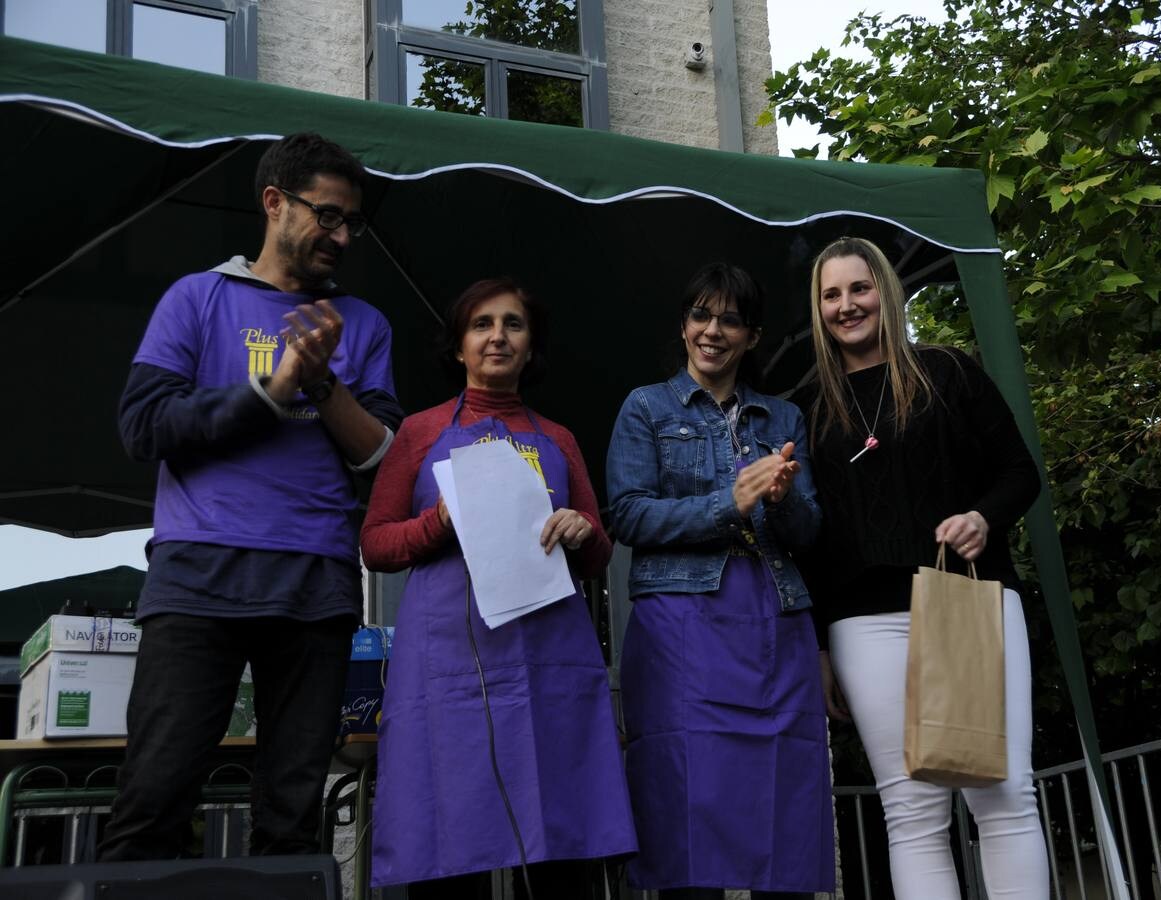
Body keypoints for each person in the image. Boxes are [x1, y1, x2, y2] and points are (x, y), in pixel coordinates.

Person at [100, 133, 403, 860]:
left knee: (293, 816)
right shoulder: (196, 297)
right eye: (327, 216)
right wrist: (272, 390)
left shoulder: (360, 323)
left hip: (316, 585)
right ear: (274, 202)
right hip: (196, 576)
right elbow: (144, 426)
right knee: (154, 794)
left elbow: (382, 457)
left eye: (350, 222)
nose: (340, 235)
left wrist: (322, 382)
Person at [360, 277, 635, 898]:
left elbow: (598, 556)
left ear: (530, 345)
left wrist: (581, 529)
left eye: (513, 324)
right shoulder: (419, 433)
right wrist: (440, 521)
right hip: (448, 663)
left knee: (561, 838)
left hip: (548, 663)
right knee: (453, 840)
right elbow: (375, 546)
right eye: (481, 324)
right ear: (459, 346)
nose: (497, 337)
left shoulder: (559, 438)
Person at [798, 236, 1049, 898]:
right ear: (818, 308)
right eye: (831, 294)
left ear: (885, 290)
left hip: (967, 600)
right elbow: (815, 543)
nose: (847, 305)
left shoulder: (949, 372)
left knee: (1001, 791)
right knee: (911, 813)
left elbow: (1019, 472)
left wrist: (981, 517)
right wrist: (821, 645)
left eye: (859, 287)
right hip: (864, 622)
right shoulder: (812, 412)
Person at [606, 263, 834, 899]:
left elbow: (809, 531)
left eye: (730, 319)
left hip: (776, 618)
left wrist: (784, 499)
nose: (713, 330)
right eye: (701, 316)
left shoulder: (783, 418)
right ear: (682, 327)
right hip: (681, 626)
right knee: (685, 811)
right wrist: (727, 502)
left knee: (784, 804)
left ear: (752, 336)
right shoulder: (645, 407)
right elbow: (626, 514)